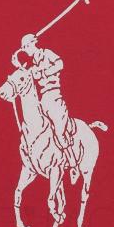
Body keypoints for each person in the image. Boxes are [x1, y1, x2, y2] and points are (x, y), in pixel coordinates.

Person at [12, 32, 80, 184]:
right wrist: (17, 64)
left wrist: (43, 72)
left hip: (54, 98)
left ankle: (73, 164)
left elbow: (60, 64)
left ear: (33, 44)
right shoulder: (33, 64)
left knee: (60, 133)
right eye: (24, 48)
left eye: (26, 47)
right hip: (42, 100)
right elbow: (25, 76)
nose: (25, 50)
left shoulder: (47, 54)